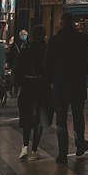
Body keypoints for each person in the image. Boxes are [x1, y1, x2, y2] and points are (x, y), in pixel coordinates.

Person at [45, 11, 88, 164]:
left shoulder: (54, 41)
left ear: (61, 23)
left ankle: (62, 153)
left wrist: (52, 79)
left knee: (61, 120)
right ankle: (80, 144)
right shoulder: (82, 39)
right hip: (78, 84)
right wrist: (83, 73)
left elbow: (47, 63)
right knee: (78, 116)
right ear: (73, 23)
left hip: (60, 85)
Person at [15, 24, 52, 161]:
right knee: (40, 119)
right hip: (42, 86)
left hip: (27, 86)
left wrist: (21, 83)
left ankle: (25, 146)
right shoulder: (46, 49)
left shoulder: (26, 49)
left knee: (26, 117)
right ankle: (34, 150)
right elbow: (50, 69)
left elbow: (17, 69)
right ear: (43, 35)